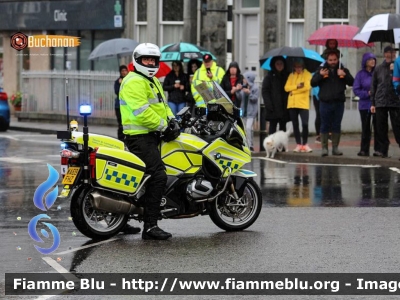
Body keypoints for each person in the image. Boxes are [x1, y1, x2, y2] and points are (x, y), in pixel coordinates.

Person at [119, 43, 180, 240]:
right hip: (140, 137)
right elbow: (142, 113)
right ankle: (151, 226)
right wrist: (164, 126)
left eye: (153, 60)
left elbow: (162, 106)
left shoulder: (152, 81)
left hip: (151, 135)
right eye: (146, 60)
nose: (150, 63)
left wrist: (172, 121)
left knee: (141, 178)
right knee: (158, 175)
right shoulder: (135, 81)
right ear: (138, 61)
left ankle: (124, 217)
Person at [311, 50, 354, 156]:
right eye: (330, 60)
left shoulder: (342, 69)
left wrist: (344, 75)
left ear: (338, 59)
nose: (333, 62)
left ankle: (335, 148)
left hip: (339, 102)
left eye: (335, 59)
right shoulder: (321, 69)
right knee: (324, 124)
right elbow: (312, 83)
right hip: (325, 102)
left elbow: (352, 82)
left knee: (336, 125)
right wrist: (320, 75)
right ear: (327, 59)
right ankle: (324, 148)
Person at [370, 46, 400, 158]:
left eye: (392, 52)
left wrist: (393, 71)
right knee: (380, 127)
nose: (390, 55)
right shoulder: (378, 69)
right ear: (384, 54)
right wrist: (373, 102)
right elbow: (373, 86)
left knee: (397, 126)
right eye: (388, 52)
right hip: (381, 101)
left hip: (395, 101)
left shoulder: (397, 66)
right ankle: (383, 150)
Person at [353, 52, 378, 157]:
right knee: (366, 128)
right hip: (364, 104)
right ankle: (364, 149)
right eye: (370, 59)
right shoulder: (360, 74)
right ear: (365, 62)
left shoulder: (377, 72)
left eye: (374, 59)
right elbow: (356, 89)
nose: (373, 61)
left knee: (378, 127)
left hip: (376, 104)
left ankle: (379, 150)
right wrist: (366, 93)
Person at [284, 58, 312, 153]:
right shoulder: (291, 75)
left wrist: (293, 92)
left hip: (303, 104)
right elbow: (286, 88)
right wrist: (296, 87)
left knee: (305, 124)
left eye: (299, 66)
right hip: (292, 103)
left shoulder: (307, 74)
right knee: (295, 124)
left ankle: (305, 144)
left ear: (303, 66)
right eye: (296, 67)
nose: (298, 68)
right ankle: (298, 144)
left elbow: (307, 87)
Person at [262, 56, 290, 134]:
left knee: (283, 128)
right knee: (272, 127)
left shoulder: (287, 76)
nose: (279, 66)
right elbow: (265, 91)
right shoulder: (269, 77)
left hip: (284, 106)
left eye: (281, 64)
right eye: (277, 64)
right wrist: (268, 104)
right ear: (274, 65)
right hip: (272, 107)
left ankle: (282, 146)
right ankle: (271, 145)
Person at [239, 71, 259, 151]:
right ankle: (245, 144)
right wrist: (238, 90)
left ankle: (250, 146)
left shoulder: (255, 88)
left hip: (251, 112)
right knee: (244, 128)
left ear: (248, 79)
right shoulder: (244, 86)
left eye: (244, 78)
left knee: (248, 128)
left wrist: (249, 93)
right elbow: (240, 97)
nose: (243, 80)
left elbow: (255, 99)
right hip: (243, 111)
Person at [114, 65, 128, 141]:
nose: (124, 72)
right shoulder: (117, 82)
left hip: (127, 105)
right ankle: (121, 138)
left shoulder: (129, 81)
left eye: (125, 70)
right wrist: (120, 84)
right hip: (119, 106)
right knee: (121, 124)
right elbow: (117, 92)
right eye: (122, 71)